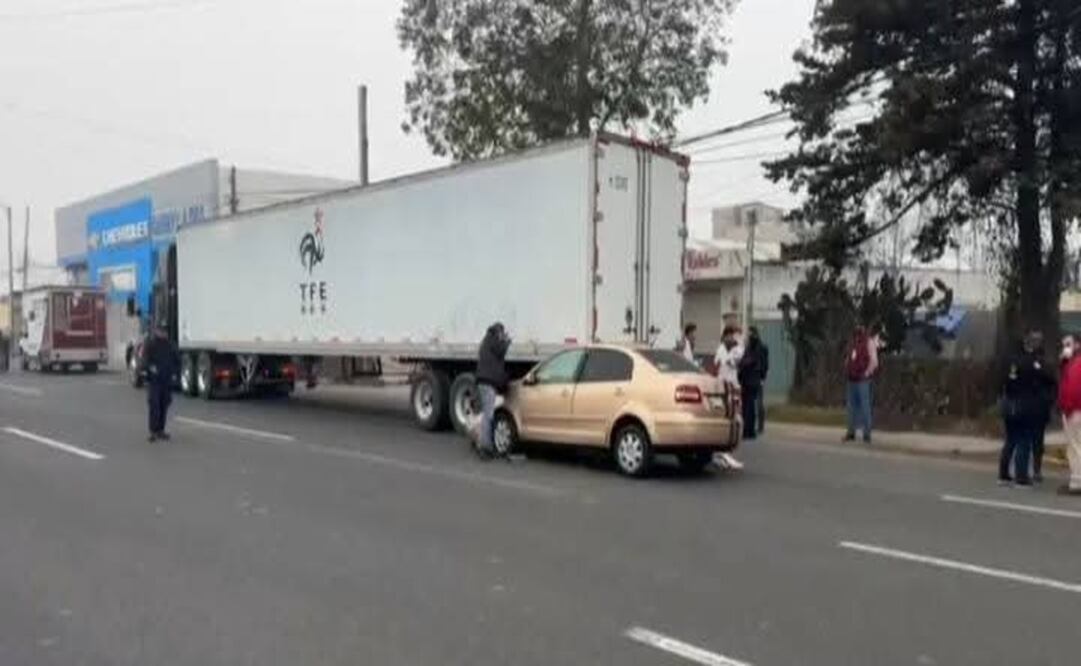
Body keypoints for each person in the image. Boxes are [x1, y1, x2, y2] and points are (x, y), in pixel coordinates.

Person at [999, 330, 1053, 487]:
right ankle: (1021, 476)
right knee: (1024, 440)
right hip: (1025, 405)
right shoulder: (1033, 361)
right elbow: (1047, 378)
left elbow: (1005, 380)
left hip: (1009, 403)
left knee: (1010, 440)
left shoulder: (1010, 360)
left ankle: (1003, 475)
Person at [474, 322, 511, 458]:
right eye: (502, 332)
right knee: (488, 416)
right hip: (488, 383)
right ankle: (485, 448)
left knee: (486, 414)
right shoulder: (493, 341)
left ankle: (482, 443)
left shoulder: (487, 340)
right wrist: (507, 341)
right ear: (498, 331)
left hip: (484, 382)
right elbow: (502, 351)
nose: (502, 334)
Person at [713, 326, 745, 470]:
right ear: (725, 336)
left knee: (734, 420)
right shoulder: (721, 351)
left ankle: (723, 453)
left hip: (732, 388)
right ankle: (722, 453)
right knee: (728, 419)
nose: (733, 339)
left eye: (734, 336)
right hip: (725, 389)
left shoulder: (734, 350)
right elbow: (719, 368)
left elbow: (735, 365)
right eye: (730, 336)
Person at [142, 323, 178, 442]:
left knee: (164, 405)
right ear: (156, 331)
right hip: (155, 380)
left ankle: (161, 430)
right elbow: (145, 360)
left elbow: (176, 360)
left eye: (165, 331)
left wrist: (174, 373)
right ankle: (153, 431)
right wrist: (150, 367)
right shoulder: (150, 344)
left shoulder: (170, 345)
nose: (163, 333)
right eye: (161, 330)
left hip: (166, 380)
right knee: (155, 405)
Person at [843, 325, 879, 443]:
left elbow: (874, 362)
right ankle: (852, 432)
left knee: (862, 407)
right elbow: (849, 358)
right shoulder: (855, 342)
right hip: (854, 378)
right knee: (853, 407)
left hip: (861, 379)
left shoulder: (868, 342)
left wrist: (866, 373)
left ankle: (865, 433)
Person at [1056, 333, 1081, 495]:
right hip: (1075, 409)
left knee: (1074, 446)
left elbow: (1072, 388)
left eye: (1069, 344)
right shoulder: (1071, 363)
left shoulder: (1076, 364)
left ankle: (1077, 481)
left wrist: (1068, 408)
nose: (1065, 347)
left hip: (1075, 410)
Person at [738, 329, 764, 440]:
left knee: (749, 407)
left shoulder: (755, 349)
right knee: (747, 407)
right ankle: (748, 430)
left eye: (748, 336)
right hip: (748, 381)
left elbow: (749, 362)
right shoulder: (750, 349)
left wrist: (742, 365)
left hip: (750, 381)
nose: (747, 338)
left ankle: (748, 430)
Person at [750, 326, 769, 434]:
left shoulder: (762, 348)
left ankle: (760, 426)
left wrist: (763, 377)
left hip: (758, 377)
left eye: (751, 334)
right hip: (751, 377)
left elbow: (765, 364)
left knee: (759, 403)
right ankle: (753, 424)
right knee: (752, 402)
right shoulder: (750, 347)